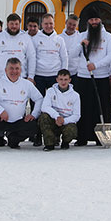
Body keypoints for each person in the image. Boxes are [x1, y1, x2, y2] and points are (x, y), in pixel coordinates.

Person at [0, 57, 43, 152]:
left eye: (17, 68)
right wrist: (1, 110)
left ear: (21, 70)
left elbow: (39, 99)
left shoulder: (27, 84)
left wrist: (33, 114)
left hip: (18, 122)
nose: (14, 71)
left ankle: (13, 139)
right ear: (6, 70)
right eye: (11, 68)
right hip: (1, 120)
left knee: (34, 126)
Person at [76, 9, 111, 146]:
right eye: (91, 20)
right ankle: (82, 137)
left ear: (100, 21)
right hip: (83, 76)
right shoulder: (81, 36)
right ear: (88, 22)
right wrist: (80, 44)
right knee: (84, 107)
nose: (94, 22)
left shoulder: (108, 37)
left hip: (101, 76)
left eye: (96, 20)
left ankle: (101, 138)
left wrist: (96, 65)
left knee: (101, 106)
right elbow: (73, 54)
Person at [29, 13, 69, 146]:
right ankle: (37, 134)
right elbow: (32, 58)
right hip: (39, 76)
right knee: (37, 105)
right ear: (42, 25)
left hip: (54, 76)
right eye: (46, 23)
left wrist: (63, 76)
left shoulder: (59, 39)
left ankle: (55, 135)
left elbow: (64, 58)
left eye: (50, 23)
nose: (48, 26)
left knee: (56, 106)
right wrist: (31, 75)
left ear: (54, 24)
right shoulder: (35, 39)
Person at [0, 13, 36, 82]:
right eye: (12, 24)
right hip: (0, 77)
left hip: (20, 78)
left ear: (19, 24)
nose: (14, 26)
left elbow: (31, 57)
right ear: (7, 24)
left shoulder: (26, 38)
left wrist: (31, 76)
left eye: (16, 24)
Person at [38, 69, 80, 151]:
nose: (63, 82)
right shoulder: (50, 91)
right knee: (43, 117)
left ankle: (65, 142)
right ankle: (49, 143)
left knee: (72, 129)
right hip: (53, 120)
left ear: (70, 80)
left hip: (66, 122)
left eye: (65, 79)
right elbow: (44, 107)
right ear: (57, 80)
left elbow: (76, 115)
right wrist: (56, 116)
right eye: (61, 79)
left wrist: (63, 121)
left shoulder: (75, 95)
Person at [60, 14, 84, 82]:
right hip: (61, 73)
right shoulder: (58, 38)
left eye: (74, 25)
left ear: (77, 26)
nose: (71, 26)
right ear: (65, 22)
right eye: (69, 24)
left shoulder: (80, 38)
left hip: (76, 73)